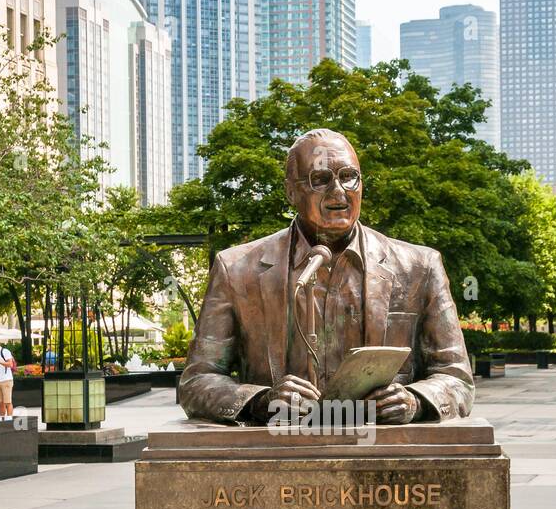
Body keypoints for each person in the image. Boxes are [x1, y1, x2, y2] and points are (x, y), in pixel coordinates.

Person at [179, 128, 475, 425]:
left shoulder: (419, 266)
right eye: (320, 180)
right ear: (291, 192)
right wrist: (260, 401)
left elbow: (456, 377)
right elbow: (197, 381)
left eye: (349, 177)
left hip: (380, 449)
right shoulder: (236, 269)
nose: (338, 192)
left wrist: (415, 400)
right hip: (280, 450)